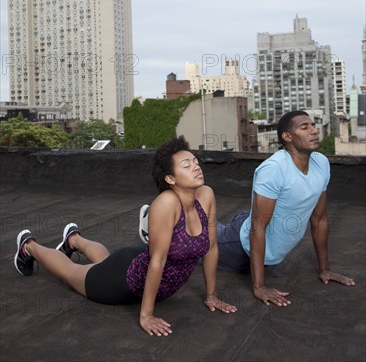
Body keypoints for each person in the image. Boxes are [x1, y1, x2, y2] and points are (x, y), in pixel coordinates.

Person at [14, 136, 237, 336]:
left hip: (138, 263)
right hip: (125, 281)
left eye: (196, 162)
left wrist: (211, 295)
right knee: (71, 271)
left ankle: (74, 239)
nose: (196, 167)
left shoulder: (206, 195)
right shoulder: (166, 203)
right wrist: (146, 316)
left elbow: (211, 248)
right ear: (170, 178)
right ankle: (29, 247)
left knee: (103, 262)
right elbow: (157, 261)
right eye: (187, 165)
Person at [139, 111, 356, 308]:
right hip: (240, 244)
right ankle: (158, 224)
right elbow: (258, 228)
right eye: (304, 127)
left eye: (313, 125)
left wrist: (324, 269)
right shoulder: (274, 169)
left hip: (259, 239)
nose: (314, 130)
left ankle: (177, 223)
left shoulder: (321, 164)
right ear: (287, 137)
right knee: (194, 250)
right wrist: (259, 287)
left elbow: (319, 220)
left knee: (211, 231)